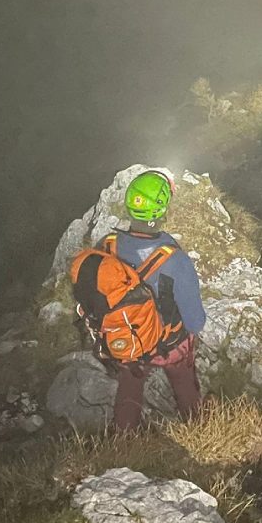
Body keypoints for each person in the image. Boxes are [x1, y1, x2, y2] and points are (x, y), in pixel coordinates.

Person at [73, 170, 206, 431]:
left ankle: (124, 440)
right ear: (162, 211)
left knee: (130, 384)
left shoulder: (107, 245)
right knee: (183, 378)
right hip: (168, 345)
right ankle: (198, 428)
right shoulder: (176, 261)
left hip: (129, 343)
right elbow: (195, 322)